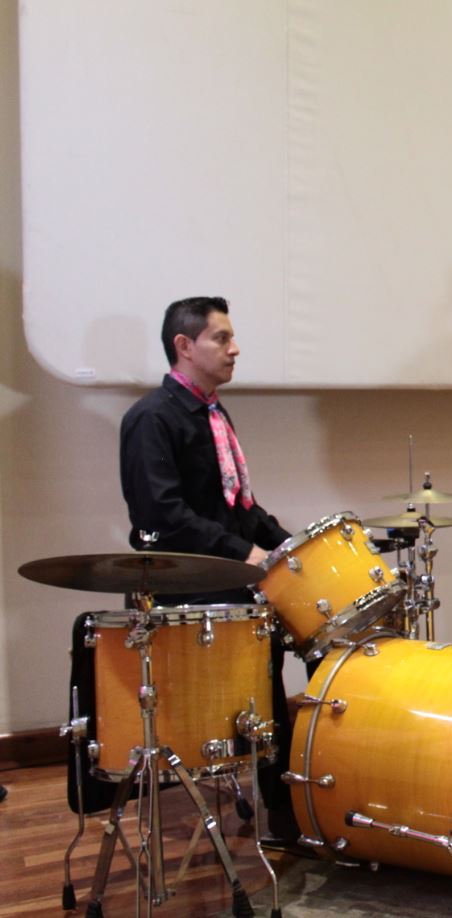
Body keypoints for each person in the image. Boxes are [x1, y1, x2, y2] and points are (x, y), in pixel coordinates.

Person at [118, 296, 298, 841]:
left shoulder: (215, 414)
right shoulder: (151, 418)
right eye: (221, 337)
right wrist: (242, 554)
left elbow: (240, 503)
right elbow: (162, 515)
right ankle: (280, 808)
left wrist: (291, 546)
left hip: (230, 580)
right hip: (187, 591)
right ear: (184, 345)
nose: (234, 348)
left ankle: (289, 809)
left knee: (270, 689)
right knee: (251, 698)